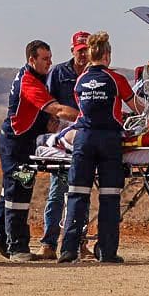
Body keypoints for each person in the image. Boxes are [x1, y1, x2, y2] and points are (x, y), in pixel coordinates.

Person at [0, 40, 73, 259]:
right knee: (19, 188)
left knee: (11, 187)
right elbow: (56, 108)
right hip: (15, 144)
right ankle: (17, 246)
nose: (49, 62)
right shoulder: (29, 82)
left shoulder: (37, 78)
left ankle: (0, 233)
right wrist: (86, 117)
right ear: (31, 60)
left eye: (50, 58)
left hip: (24, 142)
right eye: (45, 59)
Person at [57, 31, 136, 263]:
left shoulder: (80, 80)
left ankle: (68, 250)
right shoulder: (116, 79)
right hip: (109, 140)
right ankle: (107, 251)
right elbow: (136, 106)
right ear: (108, 55)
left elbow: (82, 109)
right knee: (109, 196)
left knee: (77, 195)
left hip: (83, 139)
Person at [35, 32, 88, 259]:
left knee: (82, 191)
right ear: (72, 50)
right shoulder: (59, 73)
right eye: (80, 50)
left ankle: (79, 242)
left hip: (86, 136)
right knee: (58, 189)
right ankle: (49, 242)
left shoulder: (95, 74)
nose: (83, 55)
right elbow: (48, 102)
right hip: (63, 138)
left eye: (87, 50)